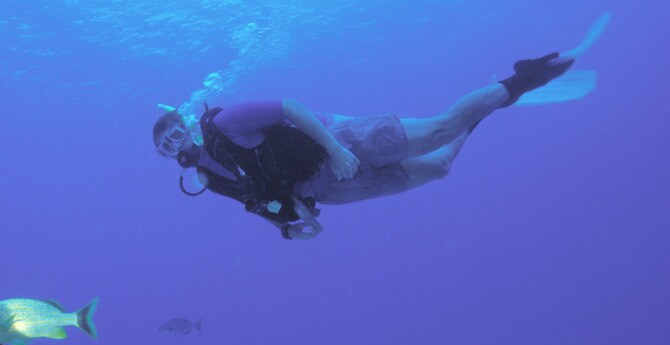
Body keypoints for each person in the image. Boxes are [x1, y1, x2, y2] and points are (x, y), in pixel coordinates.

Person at [152, 52, 574, 240]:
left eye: (174, 134)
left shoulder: (224, 123)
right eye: (167, 147)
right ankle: (485, 109)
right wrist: (288, 226)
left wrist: (337, 150)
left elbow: (291, 107)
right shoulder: (208, 178)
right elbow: (258, 198)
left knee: (440, 130)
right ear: (167, 157)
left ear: (187, 126)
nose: (175, 145)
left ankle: (523, 78)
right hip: (329, 190)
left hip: (341, 141)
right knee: (441, 166)